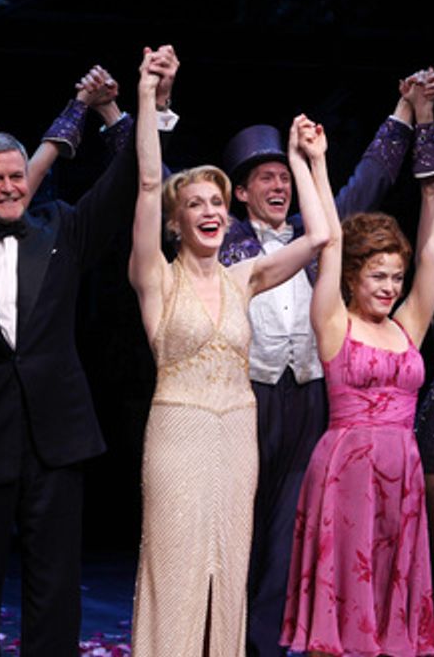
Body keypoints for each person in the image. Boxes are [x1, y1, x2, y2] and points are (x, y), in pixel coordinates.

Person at [0, 45, 178, 657]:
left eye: (17, 175)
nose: (11, 187)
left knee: (55, 586)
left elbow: (129, 178)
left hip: (56, 435)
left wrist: (145, 103)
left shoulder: (61, 228)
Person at [222, 68, 434, 657]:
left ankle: (270, 644)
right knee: (233, 533)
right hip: (244, 398)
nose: (277, 186)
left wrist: (403, 112)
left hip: (313, 401)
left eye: (282, 175)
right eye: (263, 178)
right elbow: (167, 189)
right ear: (240, 192)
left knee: (287, 540)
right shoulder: (220, 239)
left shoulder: (316, 236)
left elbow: (368, 182)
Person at [128, 46, 329, 651]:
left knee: (230, 566)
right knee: (175, 563)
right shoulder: (156, 277)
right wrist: (147, 97)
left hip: (238, 432)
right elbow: (144, 181)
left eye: (218, 201)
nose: (211, 210)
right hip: (179, 429)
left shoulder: (247, 277)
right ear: (176, 221)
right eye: (197, 203)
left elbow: (320, 235)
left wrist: (305, 161)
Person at [281, 132, 434, 657]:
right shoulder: (334, 324)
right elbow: (330, 242)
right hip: (347, 473)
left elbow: (433, 251)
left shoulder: (407, 325)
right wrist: (314, 162)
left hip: (402, 472)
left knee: (392, 591)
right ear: (352, 279)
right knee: (343, 592)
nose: (389, 287)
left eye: (395, 277)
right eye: (377, 277)